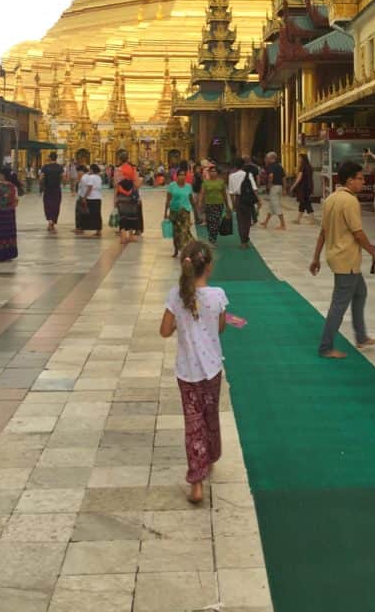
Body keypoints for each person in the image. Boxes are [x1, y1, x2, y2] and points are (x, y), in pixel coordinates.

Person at [159, 240, 227, 505]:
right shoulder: (218, 295)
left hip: (187, 372)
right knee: (210, 415)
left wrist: (180, 325)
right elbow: (220, 328)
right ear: (208, 267)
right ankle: (211, 456)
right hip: (212, 370)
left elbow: (164, 331)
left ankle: (196, 482)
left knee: (193, 422)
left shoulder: (175, 296)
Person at [309, 161, 375, 358]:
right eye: (360, 178)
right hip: (346, 259)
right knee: (339, 304)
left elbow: (323, 232)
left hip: (337, 257)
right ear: (350, 180)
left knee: (360, 293)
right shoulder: (350, 201)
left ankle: (361, 337)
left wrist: (316, 258)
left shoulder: (331, 199)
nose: (362, 181)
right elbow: (358, 233)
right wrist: (374, 254)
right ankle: (325, 347)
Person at [165, 167, 198, 257]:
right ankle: (176, 249)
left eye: (184, 175)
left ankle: (186, 250)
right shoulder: (172, 186)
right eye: (180, 175)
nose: (182, 177)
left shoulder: (188, 186)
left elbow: (191, 200)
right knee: (176, 232)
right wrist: (165, 213)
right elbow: (168, 200)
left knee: (184, 231)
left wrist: (196, 213)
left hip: (185, 211)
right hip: (174, 211)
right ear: (177, 176)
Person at [228, 156, 258, 249]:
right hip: (248, 199)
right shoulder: (248, 174)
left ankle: (243, 241)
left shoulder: (231, 176)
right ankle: (245, 238)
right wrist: (257, 200)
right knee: (247, 220)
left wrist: (233, 204)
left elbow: (231, 192)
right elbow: (254, 189)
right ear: (243, 165)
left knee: (240, 221)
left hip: (238, 199)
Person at [200, 164, 230, 244]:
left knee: (215, 222)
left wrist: (227, 206)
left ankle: (212, 240)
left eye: (214, 171)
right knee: (209, 222)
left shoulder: (221, 182)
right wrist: (199, 203)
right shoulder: (205, 183)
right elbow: (202, 193)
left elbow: (224, 194)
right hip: (209, 205)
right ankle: (211, 236)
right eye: (211, 171)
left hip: (218, 205)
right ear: (209, 173)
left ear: (217, 173)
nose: (213, 173)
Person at [75, 163, 103, 238]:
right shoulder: (99, 177)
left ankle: (83, 228)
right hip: (98, 197)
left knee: (86, 214)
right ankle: (98, 230)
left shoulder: (91, 177)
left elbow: (90, 187)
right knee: (97, 214)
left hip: (91, 198)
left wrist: (85, 197)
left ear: (92, 170)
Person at [259, 151, 286, 229]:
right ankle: (266, 222)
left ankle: (283, 224)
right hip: (279, 187)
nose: (265, 159)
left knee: (276, 205)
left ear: (271, 158)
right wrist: (284, 189)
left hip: (274, 187)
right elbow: (284, 178)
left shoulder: (271, 166)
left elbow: (271, 176)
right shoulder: (279, 166)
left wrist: (269, 185)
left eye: (267, 158)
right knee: (271, 205)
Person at [39, 151, 64, 232]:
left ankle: (49, 221)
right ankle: (52, 222)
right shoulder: (60, 167)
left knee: (48, 205)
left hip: (48, 189)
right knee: (56, 205)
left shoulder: (45, 167)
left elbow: (41, 178)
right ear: (56, 158)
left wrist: (42, 187)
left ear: (50, 158)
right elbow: (64, 178)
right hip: (56, 189)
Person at [290, 153, 315, 224]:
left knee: (306, 203)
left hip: (303, 188)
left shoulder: (302, 167)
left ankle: (312, 220)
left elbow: (299, 178)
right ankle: (298, 219)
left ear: (302, 158)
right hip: (308, 187)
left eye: (299, 158)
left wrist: (293, 186)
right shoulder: (309, 167)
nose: (298, 159)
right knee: (302, 203)